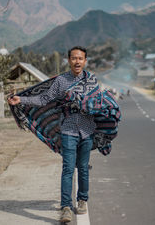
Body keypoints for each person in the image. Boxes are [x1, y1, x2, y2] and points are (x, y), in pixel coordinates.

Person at [8, 46, 95, 223]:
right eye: (74, 58)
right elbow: (43, 99)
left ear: (85, 61)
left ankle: (82, 200)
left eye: (80, 58)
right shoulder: (61, 81)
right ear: (69, 60)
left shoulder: (92, 80)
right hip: (68, 130)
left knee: (84, 168)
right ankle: (65, 207)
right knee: (68, 169)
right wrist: (21, 99)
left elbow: (99, 104)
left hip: (87, 130)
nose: (77, 61)